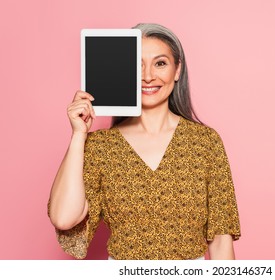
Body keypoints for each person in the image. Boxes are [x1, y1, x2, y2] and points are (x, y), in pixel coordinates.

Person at [48, 23, 240, 260]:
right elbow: (64, 218)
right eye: (136, 65)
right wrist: (78, 135)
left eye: (160, 63)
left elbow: (221, 241)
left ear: (177, 70)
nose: (148, 76)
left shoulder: (205, 142)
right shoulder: (101, 146)